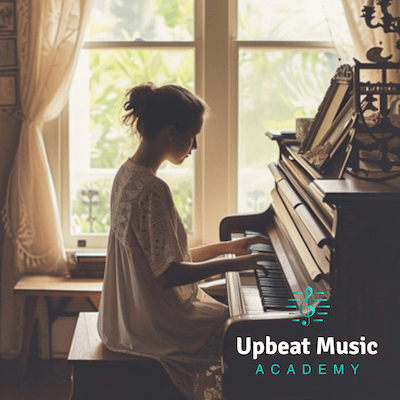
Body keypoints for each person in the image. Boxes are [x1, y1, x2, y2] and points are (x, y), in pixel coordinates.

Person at [97, 82, 273, 400]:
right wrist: (237, 265)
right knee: (242, 330)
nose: (193, 148)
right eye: (192, 137)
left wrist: (224, 248)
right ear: (171, 132)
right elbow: (168, 275)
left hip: (121, 319)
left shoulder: (126, 173)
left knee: (235, 315)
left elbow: (160, 255)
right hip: (152, 325)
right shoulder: (153, 189)